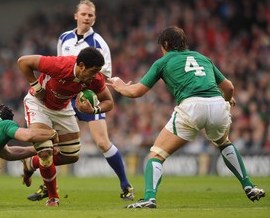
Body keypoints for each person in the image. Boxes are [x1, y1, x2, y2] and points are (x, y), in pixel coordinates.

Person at [106, 26, 266, 208]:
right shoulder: (203, 58)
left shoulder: (163, 61)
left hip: (192, 106)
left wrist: (119, 85)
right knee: (223, 143)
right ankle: (248, 186)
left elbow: (136, 92)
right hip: (217, 103)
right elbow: (229, 87)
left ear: (165, 44)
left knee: (156, 154)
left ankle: (149, 198)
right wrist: (227, 101)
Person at [26, 0, 134, 202]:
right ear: (76, 16)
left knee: (102, 142)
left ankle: (125, 184)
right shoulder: (64, 38)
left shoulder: (99, 43)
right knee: (53, 144)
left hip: (87, 94)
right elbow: (59, 66)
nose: (87, 18)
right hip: (64, 96)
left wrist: (95, 95)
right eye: (83, 14)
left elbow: (104, 74)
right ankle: (47, 186)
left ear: (95, 18)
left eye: (90, 15)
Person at [18, 46, 114, 206]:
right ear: (81, 65)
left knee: (71, 156)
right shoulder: (60, 65)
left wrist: (94, 110)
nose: (95, 76)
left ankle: (31, 163)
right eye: (93, 70)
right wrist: (36, 87)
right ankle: (53, 198)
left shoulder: (95, 79)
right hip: (39, 104)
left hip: (62, 108)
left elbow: (109, 102)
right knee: (46, 151)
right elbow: (23, 62)